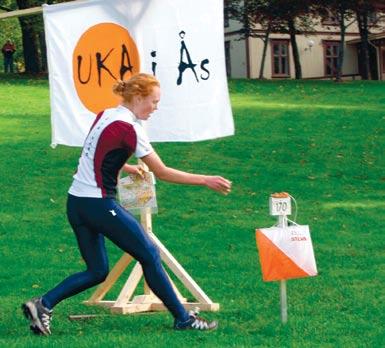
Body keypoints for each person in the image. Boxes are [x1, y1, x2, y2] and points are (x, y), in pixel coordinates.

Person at [22, 73, 232, 335]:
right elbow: (163, 172)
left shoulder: (105, 115)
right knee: (149, 253)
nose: (156, 108)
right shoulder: (131, 130)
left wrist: (128, 167)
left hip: (76, 203)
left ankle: (42, 304)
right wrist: (205, 179)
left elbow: (99, 153)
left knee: (97, 270)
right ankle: (183, 319)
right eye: (154, 102)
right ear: (138, 97)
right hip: (98, 204)